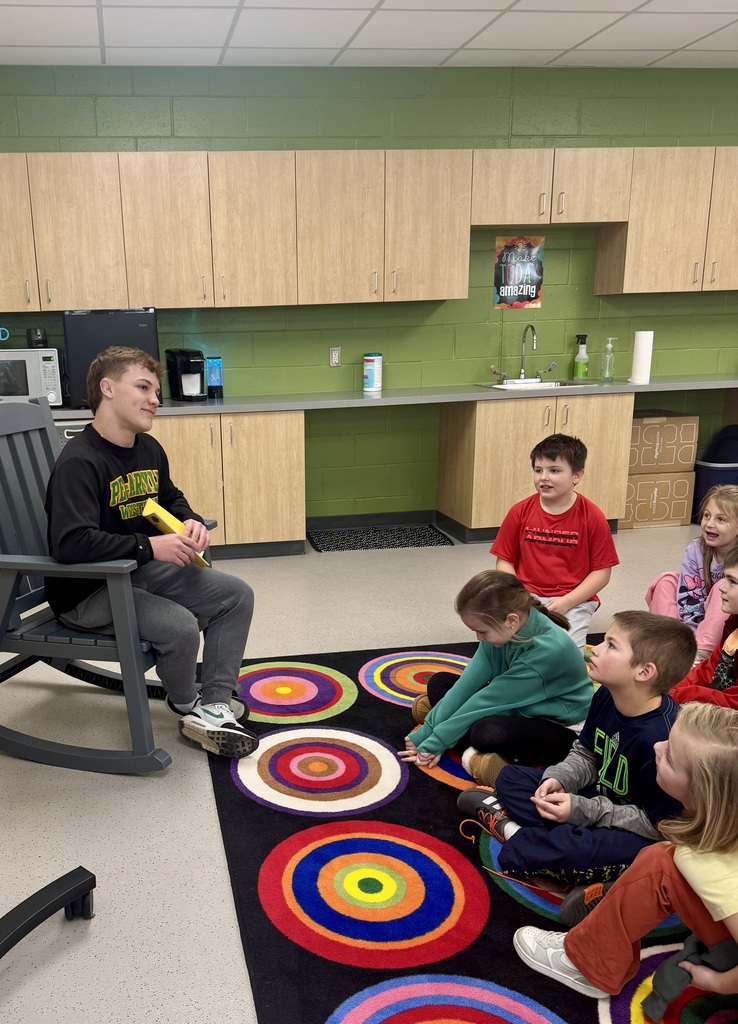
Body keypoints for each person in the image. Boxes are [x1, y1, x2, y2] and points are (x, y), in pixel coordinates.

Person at [44, 345, 259, 759]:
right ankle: (184, 703)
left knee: (236, 595)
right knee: (178, 626)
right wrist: (148, 545)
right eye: (143, 387)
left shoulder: (147, 448)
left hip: (135, 571)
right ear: (107, 388)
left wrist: (189, 518)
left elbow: (170, 497)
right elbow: (70, 543)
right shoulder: (80, 462)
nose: (155, 400)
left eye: (156, 392)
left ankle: (213, 705)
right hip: (87, 590)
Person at [512, 702, 738, 1009]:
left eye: (669, 756)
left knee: (659, 863)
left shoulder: (704, 865)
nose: (657, 745)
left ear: (704, 793)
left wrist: (719, 983)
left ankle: (588, 965)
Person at [458, 611, 696, 886]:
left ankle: (513, 831)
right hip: (596, 800)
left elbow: (659, 825)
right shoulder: (607, 694)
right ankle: (549, 839)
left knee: (583, 850)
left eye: (611, 645)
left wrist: (582, 810)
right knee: (511, 779)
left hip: (635, 828)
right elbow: (585, 753)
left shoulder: (663, 738)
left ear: (644, 672)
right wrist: (558, 779)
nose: (596, 649)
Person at [398, 570, 593, 787]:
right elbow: (467, 685)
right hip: (519, 705)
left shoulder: (548, 651)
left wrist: (436, 741)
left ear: (511, 620)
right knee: (440, 682)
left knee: (486, 732)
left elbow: (487, 701)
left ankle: (480, 755)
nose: (479, 638)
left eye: (483, 631)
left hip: (562, 727)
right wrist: (427, 729)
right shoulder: (506, 631)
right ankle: (456, 730)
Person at [491, 433, 618, 654]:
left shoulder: (592, 516)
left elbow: (601, 573)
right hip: (525, 596)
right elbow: (504, 562)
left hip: (573, 600)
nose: (544, 477)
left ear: (577, 475)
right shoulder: (520, 512)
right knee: (502, 646)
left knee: (565, 656)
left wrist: (567, 602)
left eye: (554, 470)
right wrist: (521, 595)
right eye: (538, 470)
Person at [646, 484, 738, 661]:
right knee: (666, 580)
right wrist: (686, 635)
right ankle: (666, 641)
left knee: (723, 587)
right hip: (692, 614)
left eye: (721, 519)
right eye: (706, 516)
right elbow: (689, 595)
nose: (709, 524)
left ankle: (700, 655)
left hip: (724, 620)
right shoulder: (696, 549)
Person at [669, 542, 738, 712]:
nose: (721, 587)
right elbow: (708, 670)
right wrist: (669, 690)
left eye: (732, 582)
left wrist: (681, 695)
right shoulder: (733, 624)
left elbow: (734, 702)